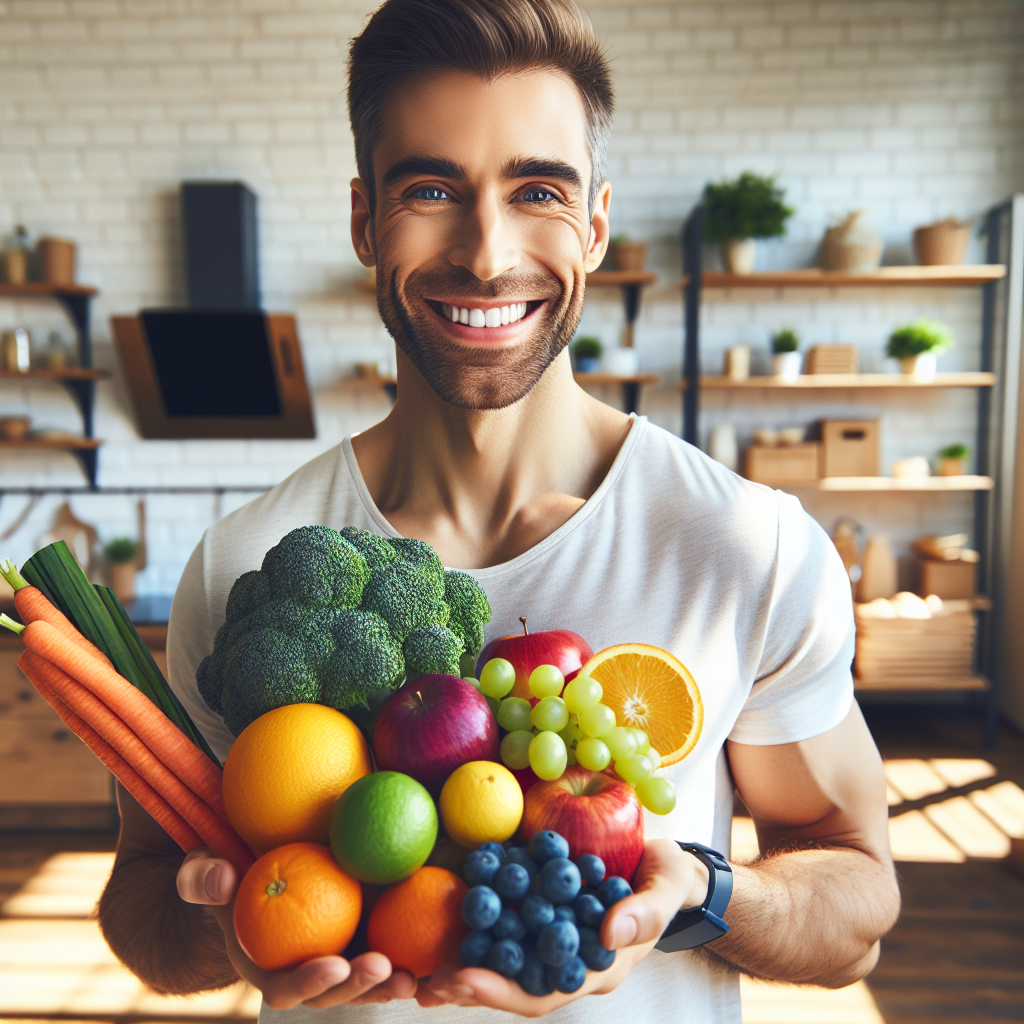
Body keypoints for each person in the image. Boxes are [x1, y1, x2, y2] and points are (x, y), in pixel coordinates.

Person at [97, 0, 900, 1020]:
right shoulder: (245, 561)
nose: (485, 252)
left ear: (595, 225)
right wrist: (226, 920)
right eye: (431, 188)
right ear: (364, 220)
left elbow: (856, 912)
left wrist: (700, 893)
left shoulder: (744, 546)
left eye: (538, 192)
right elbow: (140, 904)